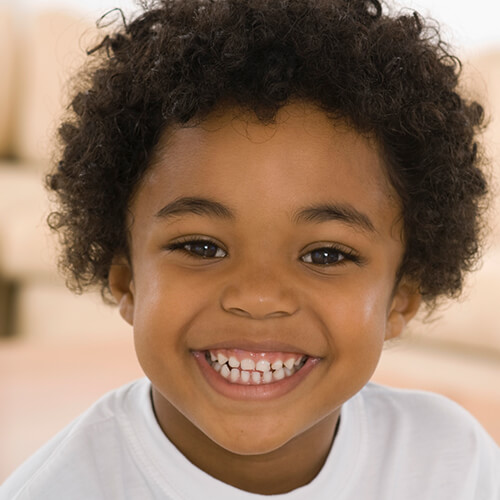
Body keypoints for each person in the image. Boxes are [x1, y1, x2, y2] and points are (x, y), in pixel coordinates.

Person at [2, 0, 499, 498]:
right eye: (201, 246)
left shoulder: (453, 464)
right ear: (125, 278)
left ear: (401, 299)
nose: (258, 296)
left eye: (326, 255)